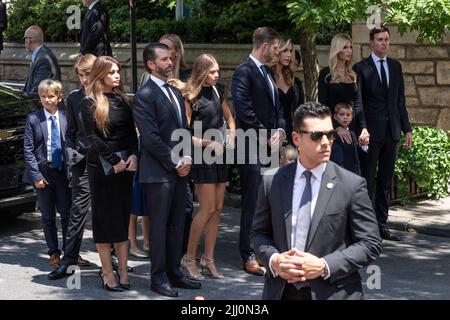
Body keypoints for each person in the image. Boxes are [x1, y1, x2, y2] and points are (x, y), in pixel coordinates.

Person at [251, 102, 382, 300]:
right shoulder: (272, 181)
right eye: (316, 135)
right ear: (296, 138)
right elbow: (259, 234)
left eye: (329, 135)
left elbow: (370, 243)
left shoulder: (351, 185)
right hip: (281, 292)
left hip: (333, 292)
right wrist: (274, 260)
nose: (325, 142)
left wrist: (324, 266)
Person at [133, 43, 201, 298]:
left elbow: (184, 130)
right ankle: (158, 277)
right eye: (164, 59)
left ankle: (174, 271)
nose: (170, 63)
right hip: (158, 172)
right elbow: (150, 138)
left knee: (178, 222)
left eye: (170, 58)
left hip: (180, 169)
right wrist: (176, 162)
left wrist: (188, 158)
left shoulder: (173, 90)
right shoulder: (145, 94)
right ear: (151, 64)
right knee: (160, 226)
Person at [80, 56, 137, 291]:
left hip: (126, 167)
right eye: (112, 72)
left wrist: (134, 155)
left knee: (122, 219)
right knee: (104, 221)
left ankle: (123, 270)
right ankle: (106, 271)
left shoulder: (123, 100)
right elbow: (92, 138)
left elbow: (132, 133)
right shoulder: (90, 102)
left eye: (118, 71)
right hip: (102, 169)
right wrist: (114, 161)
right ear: (100, 74)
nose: (117, 75)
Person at [231, 27, 285, 276]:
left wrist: (281, 132)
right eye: (275, 48)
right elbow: (243, 110)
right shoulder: (244, 72)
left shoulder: (268, 73)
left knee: (268, 202)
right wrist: (266, 136)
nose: (277, 52)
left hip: (271, 147)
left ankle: (265, 249)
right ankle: (248, 253)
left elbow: (277, 109)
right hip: (251, 147)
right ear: (264, 46)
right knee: (252, 202)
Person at [354, 26, 413, 241]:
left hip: (392, 132)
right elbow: (358, 102)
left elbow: (400, 101)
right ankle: (367, 229)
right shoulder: (361, 68)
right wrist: (362, 127)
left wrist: (407, 129)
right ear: (371, 42)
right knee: (368, 179)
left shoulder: (395, 66)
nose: (384, 43)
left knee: (385, 181)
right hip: (370, 133)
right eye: (380, 39)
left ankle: (381, 224)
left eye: (387, 39)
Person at [180, 54, 236, 280]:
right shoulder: (190, 97)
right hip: (202, 156)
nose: (217, 75)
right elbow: (185, 134)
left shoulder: (217, 91)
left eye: (217, 71)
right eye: (212, 72)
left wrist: (231, 134)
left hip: (219, 154)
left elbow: (230, 119)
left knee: (218, 208)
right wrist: (207, 142)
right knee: (206, 209)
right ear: (202, 72)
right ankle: (188, 258)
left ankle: (208, 259)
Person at [47, 54, 96, 280]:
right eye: (81, 75)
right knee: (77, 213)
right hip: (81, 164)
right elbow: (71, 133)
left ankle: (114, 258)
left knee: (109, 211)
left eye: (88, 74)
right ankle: (69, 260)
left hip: (106, 162)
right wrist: (71, 157)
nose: (84, 79)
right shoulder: (74, 98)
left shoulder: (107, 95)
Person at [23, 80, 71, 268]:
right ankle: (53, 252)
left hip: (63, 173)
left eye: (51, 96)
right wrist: (36, 176)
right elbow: (28, 149)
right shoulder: (33, 118)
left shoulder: (66, 117)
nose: (47, 100)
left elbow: (72, 143)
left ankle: (70, 251)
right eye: (43, 96)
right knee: (47, 216)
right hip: (43, 173)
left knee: (67, 214)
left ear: (59, 97)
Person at [318, 33, 369, 147]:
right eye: (345, 47)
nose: (349, 51)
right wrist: (336, 127)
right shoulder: (326, 74)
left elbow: (358, 104)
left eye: (350, 47)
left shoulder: (354, 75)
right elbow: (323, 105)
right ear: (337, 49)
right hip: (333, 127)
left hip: (353, 126)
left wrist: (364, 128)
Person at [269, 38, 304, 144]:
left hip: (292, 131)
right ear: (276, 51)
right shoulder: (266, 76)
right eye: (285, 50)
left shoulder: (293, 79)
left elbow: (300, 107)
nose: (289, 55)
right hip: (271, 133)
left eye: (290, 51)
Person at [23, 25, 61, 99]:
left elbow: (38, 91)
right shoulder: (41, 54)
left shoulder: (43, 59)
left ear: (29, 40)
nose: (24, 42)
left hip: (45, 108)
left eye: (24, 38)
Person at [330, 103, 363, 175]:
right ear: (335, 116)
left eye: (348, 115)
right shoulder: (333, 135)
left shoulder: (353, 133)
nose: (345, 117)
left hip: (354, 173)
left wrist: (363, 145)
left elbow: (356, 155)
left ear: (351, 117)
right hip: (341, 173)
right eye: (341, 114)